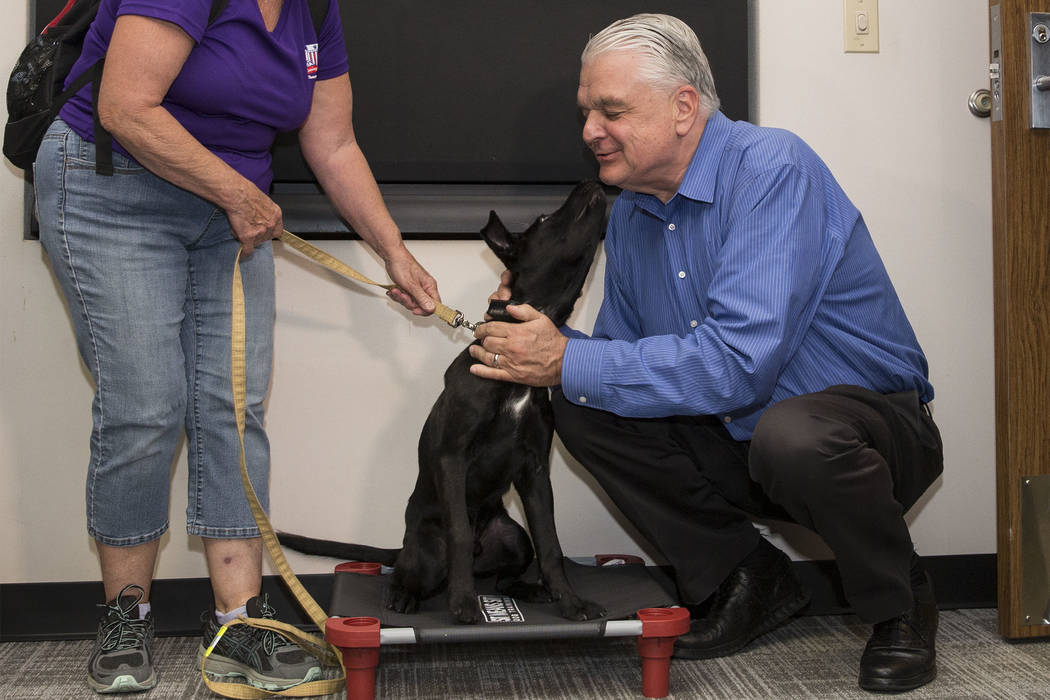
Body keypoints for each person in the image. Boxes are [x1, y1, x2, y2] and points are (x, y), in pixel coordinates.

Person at [470, 13, 943, 694]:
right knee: (583, 400)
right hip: (745, 438)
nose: (589, 132)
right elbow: (624, 362)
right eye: (586, 112)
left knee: (793, 435)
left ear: (683, 107)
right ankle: (744, 578)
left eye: (611, 110)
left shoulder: (773, 169)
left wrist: (567, 358)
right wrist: (536, 340)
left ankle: (901, 603)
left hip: (866, 437)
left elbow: (738, 366)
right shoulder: (632, 212)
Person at [33, 0, 440, 694]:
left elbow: (333, 142)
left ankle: (239, 622)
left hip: (230, 212)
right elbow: (127, 106)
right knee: (147, 404)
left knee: (234, 407)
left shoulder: (315, 9)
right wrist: (237, 193)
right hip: (114, 190)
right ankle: (125, 618)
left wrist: (394, 252)